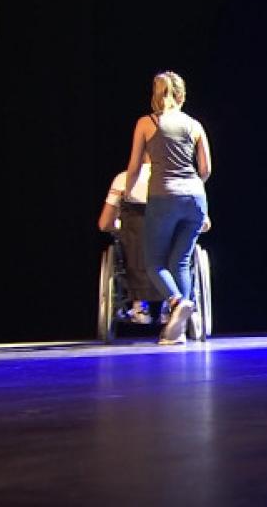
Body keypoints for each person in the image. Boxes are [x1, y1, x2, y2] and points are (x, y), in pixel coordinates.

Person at [123, 71, 211, 345]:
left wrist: (128, 193)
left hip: (164, 197)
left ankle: (176, 301)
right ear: (181, 95)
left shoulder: (146, 123)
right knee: (180, 262)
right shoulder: (195, 125)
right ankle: (178, 331)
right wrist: (191, 187)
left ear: (155, 95)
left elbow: (135, 166)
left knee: (153, 263)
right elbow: (205, 169)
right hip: (195, 197)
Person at [98, 154, 170, 325]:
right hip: (169, 250)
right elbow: (204, 224)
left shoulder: (123, 180)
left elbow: (104, 224)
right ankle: (171, 302)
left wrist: (119, 227)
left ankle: (139, 303)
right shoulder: (181, 181)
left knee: (131, 239)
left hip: (135, 251)